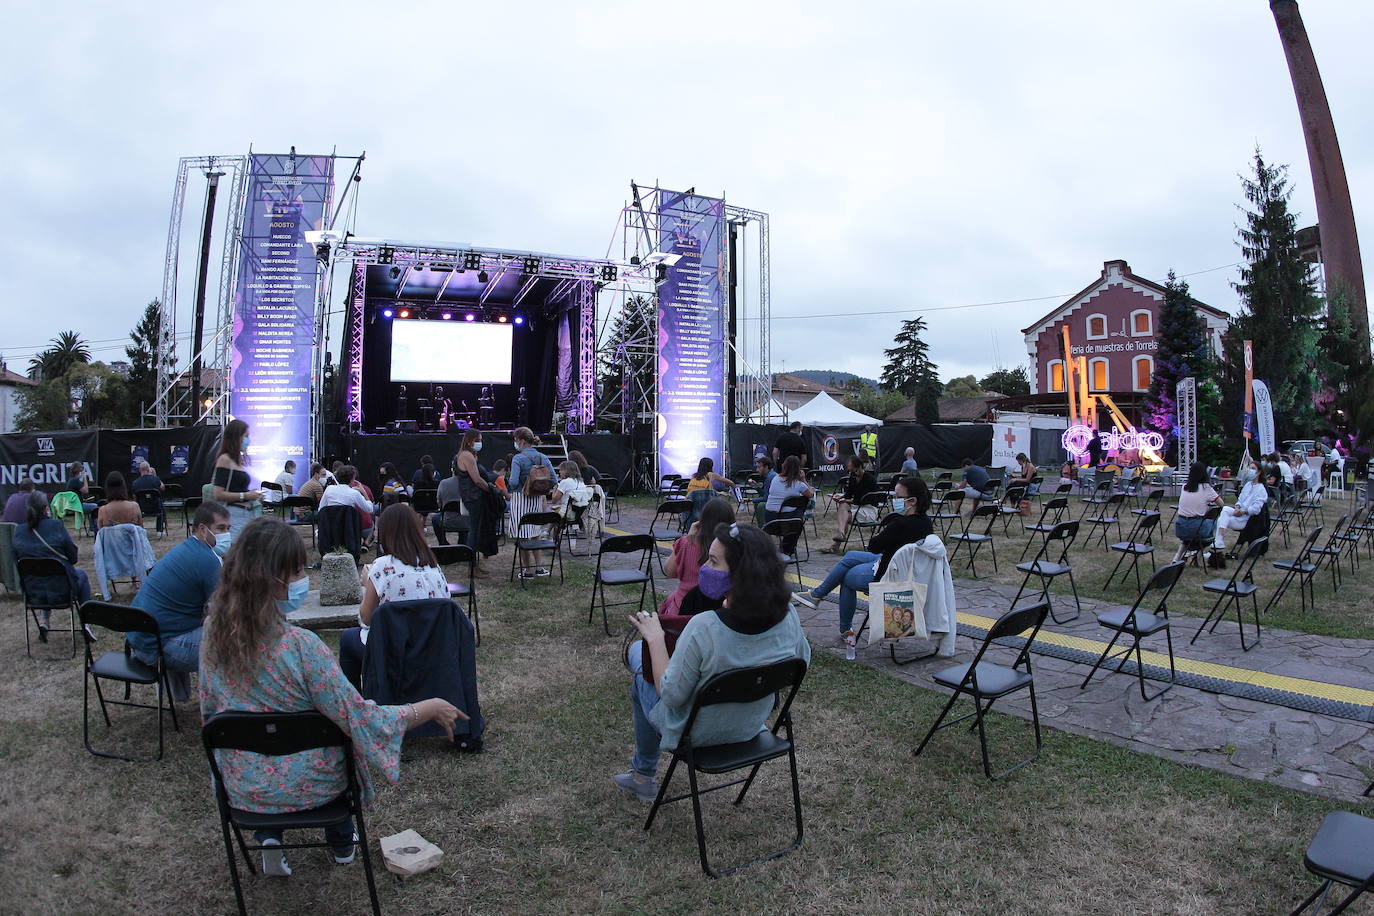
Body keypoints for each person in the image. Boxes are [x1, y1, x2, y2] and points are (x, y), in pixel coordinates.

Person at [200, 517, 464, 877]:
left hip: (244, 787)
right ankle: (342, 841)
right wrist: (426, 707)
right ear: (274, 578)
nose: (302, 579)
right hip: (315, 786)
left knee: (267, 743)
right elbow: (359, 718)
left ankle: (269, 836)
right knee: (334, 747)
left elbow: (212, 710)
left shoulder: (212, 640)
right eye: (296, 572)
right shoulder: (302, 647)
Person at [614, 522, 811, 802]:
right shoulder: (788, 615)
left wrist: (656, 639)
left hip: (694, 734)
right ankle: (642, 774)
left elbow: (670, 694)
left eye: (713, 561)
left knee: (639, 667)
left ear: (742, 575)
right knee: (640, 658)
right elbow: (802, 663)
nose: (704, 566)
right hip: (751, 724)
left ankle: (642, 775)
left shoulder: (704, 627)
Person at [794, 477, 934, 641]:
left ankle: (844, 627)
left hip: (890, 573)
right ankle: (816, 596)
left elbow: (873, 545)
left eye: (898, 497)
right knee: (850, 556)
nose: (893, 500)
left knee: (846, 577)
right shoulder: (926, 522)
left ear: (912, 501)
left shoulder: (900, 524)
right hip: (905, 569)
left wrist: (888, 526)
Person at [338, 504, 452, 689]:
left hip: (392, 649)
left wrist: (369, 583)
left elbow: (366, 619)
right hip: (432, 644)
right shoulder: (433, 565)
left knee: (348, 639)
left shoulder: (382, 566)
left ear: (386, 533)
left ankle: (355, 706)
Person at [128, 502, 230, 698]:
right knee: (237, 641)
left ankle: (179, 696)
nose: (226, 534)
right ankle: (228, 704)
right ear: (202, 529)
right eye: (221, 528)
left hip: (141, 639)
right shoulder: (207, 559)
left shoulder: (185, 548)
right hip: (157, 647)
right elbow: (223, 612)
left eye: (228, 529)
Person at [14, 491, 93, 638]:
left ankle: (44, 621)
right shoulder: (56, 526)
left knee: (42, 574)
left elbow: (16, 562)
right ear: (46, 508)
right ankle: (86, 623)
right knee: (81, 574)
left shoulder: (19, 531)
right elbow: (73, 557)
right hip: (63, 591)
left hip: (34, 594)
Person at [660, 498, 736, 617]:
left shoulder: (685, 543)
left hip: (683, 609)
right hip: (720, 610)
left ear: (702, 519)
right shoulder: (733, 547)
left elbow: (669, 572)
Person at [211, 418, 264, 547]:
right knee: (235, 551)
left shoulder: (237, 460)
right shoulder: (224, 459)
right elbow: (217, 493)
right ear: (236, 437)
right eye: (246, 436)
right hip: (233, 514)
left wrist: (252, 495)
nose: (248, 440)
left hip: (246, 513)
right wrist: (245, 496)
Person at [455, 430, 496, 569]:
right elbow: (477, 480)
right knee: (473, 531)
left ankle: (474, 564)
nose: (480, 443)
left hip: (472, 496)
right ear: (469, 441)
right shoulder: (467, 456)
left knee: (476, 530)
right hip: (473, 497)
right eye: (478, 440)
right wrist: (491, 490)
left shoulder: (469, 455)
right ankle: (471, 566)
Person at [509, 463, 555, 578]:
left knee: (523, 535)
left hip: (520, 498)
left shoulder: (518, 459)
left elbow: (513, 482)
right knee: (536, 533)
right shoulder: (541, 457)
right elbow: (553, 478)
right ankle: (539, 567)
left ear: (522, 443)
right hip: (537, 497)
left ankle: (528, 570)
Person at [824, 455, 877, 554]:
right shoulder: (853, 477)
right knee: (842, 506)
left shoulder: (870, 480)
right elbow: (848, 494)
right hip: (857, 507)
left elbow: (863, 500)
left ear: (860, 467)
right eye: (850, 471)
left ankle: (836, 544)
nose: (852, 473)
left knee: (844, 514)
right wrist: (841, 498)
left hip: (868, 509)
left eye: (854, 471)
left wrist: (846, 501)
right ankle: (840, 535)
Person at [764, 456, 814, 557]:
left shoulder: (775, 479)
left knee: (794, 510)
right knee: (803, 503)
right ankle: (787, 549)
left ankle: (786, 548)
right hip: (789, 525)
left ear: (784, 466)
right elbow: (811, 495)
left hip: (771, 521)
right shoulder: (800, 485)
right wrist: (804, 479)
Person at [1215, 466, 1269, 555]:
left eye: (1253, 468)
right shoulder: (1248, 485)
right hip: (1238, 514)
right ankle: (1218, 544)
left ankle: (1216, 546)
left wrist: (1242, 512)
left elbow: (1256, 509)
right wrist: (1237, 508)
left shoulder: (1261, 489)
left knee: (1221, 520)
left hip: (1246, 520)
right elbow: (1240, 500)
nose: (1250, 471)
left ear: (1259, 472)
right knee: (1224, 510)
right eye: (1250, 468)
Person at [1173, 462, 1221, 558]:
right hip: (1196, 528)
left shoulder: (1184, 487)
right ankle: (1197, 554)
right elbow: (1221, 504)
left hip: (1180, 526)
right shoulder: (1206, 488)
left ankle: (1178, 556)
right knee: (1213, 523)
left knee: (1188, 538)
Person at [320, 466, 375, 542]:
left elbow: (321, 509)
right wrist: (364, 492)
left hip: (331, 529)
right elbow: (370, 509)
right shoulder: (354, 493)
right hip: (348, 530)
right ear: (352, 479)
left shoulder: (329, 489)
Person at [433, 455, 469, 547]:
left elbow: (439, 503)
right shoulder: (471, 483)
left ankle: (443, 543)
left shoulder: (444, 483)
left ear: (453, 469)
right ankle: (463, 543)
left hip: (448, 520)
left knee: (435, 518)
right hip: (468, 521)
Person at [508, 426, 556, 491]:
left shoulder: (517, 458)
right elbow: (554, 480)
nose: (515, 443)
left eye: (516, 440)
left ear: (522, 441)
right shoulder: (543, 457)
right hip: (538, 497)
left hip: (520, 496)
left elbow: (513, 482)